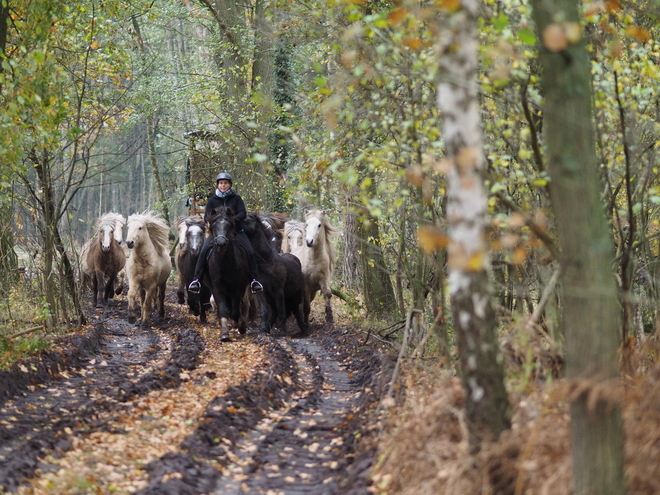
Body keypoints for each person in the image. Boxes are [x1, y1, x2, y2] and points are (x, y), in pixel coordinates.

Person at [188, 172, 264, 294]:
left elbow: (243, 214)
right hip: (217, 234)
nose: (223, 185)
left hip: (236, 232)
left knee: (249, 252)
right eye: (221, 183)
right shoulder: (212, 200)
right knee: (203, 252)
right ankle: (196, 281)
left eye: (226, 183)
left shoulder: (236, 198)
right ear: (218, 185)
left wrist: (229, 221)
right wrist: (217, 222)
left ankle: (255, 281)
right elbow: (207, 216)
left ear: (230, 185)